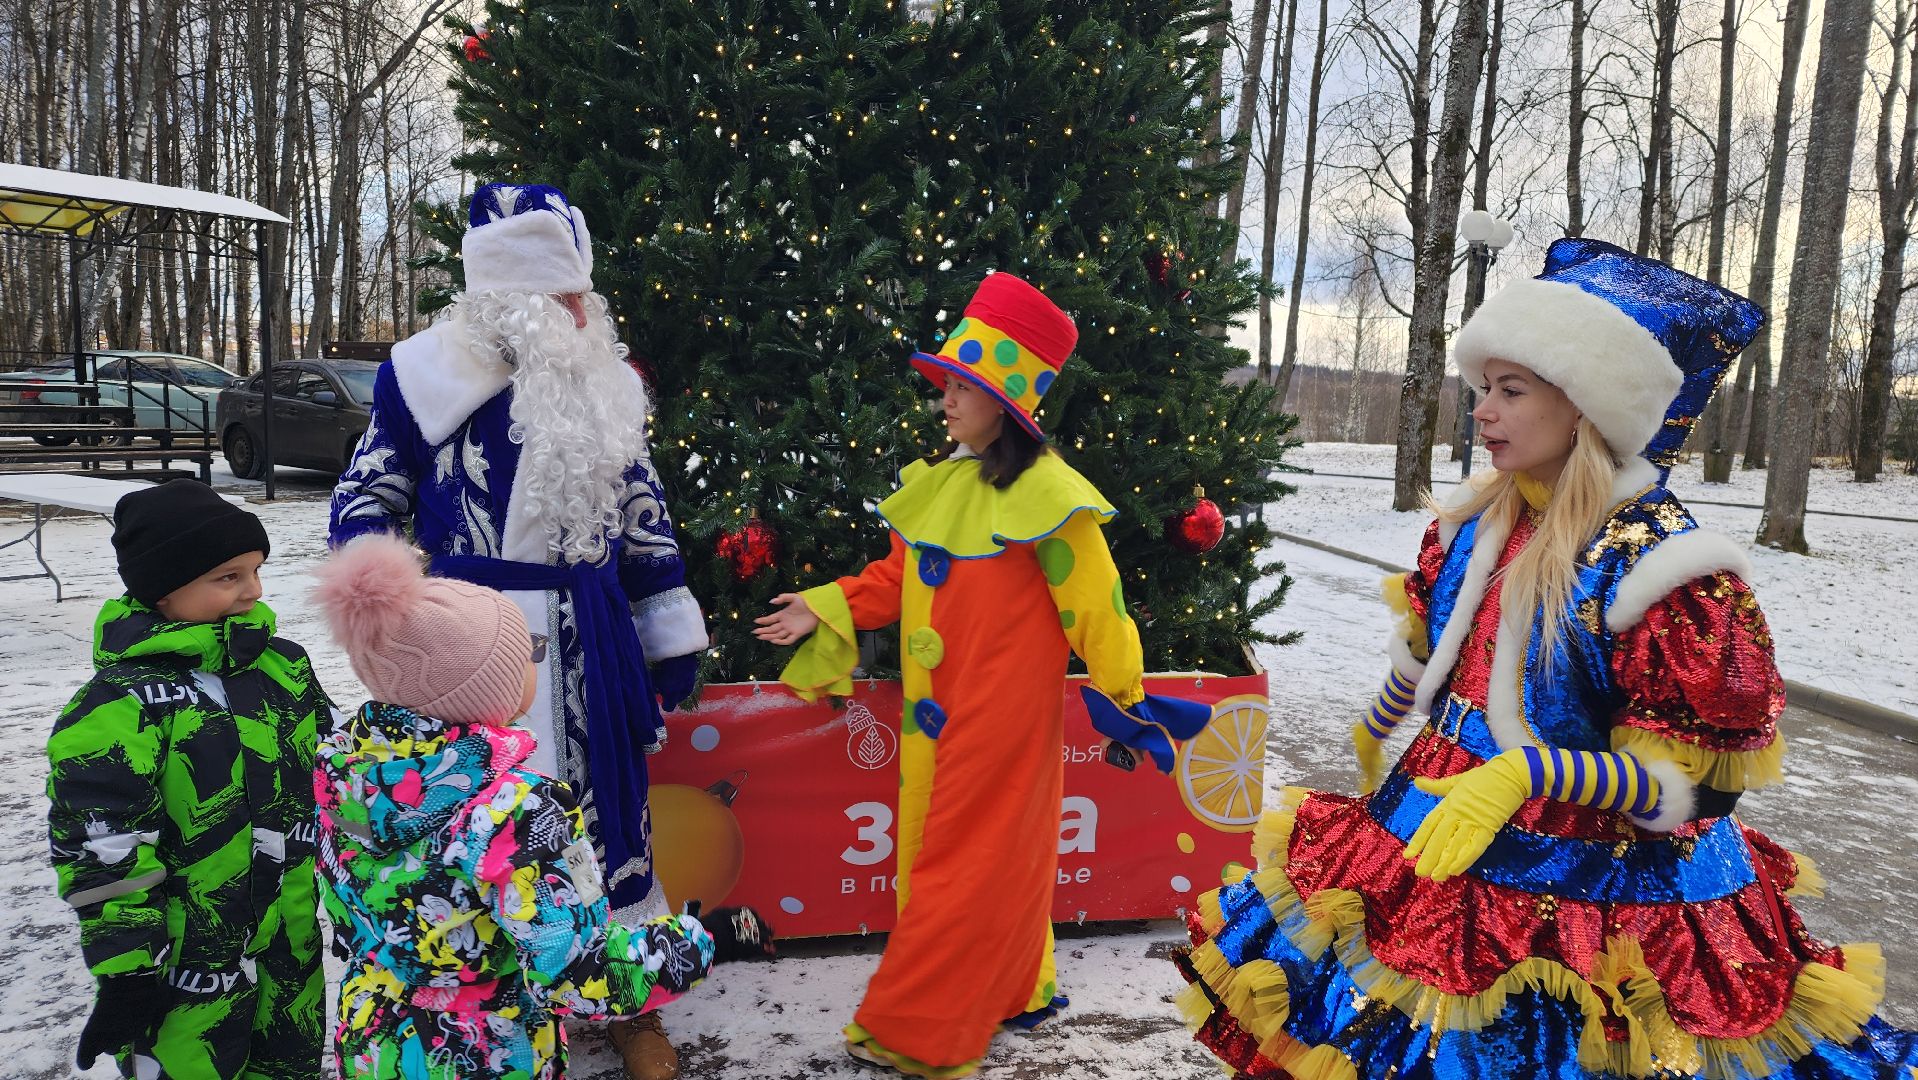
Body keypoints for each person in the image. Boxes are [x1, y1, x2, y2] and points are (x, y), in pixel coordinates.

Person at [1172, 238, 1918, 1078]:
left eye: (1511, 391)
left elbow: (1698, 788)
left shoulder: (1667, 572)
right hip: (1432, 830)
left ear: (1587, 409)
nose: (1481, 412)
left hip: (1593, 894)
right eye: (1482, 388)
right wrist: (1387, 712)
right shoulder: (1475, 522)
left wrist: (1527, 776)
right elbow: (1440, 644)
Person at [755, 271, 1207, 1078]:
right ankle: (1011, 988)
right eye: (946, 385)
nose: (944, 400)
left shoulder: (1050, 499)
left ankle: (919, 1030)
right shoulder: (944, 485)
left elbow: (1095, 606)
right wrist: (825, 608)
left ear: (1005, 399)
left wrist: (1125, 692)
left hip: (999, 723)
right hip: (938, 720)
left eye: (961, 386)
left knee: (960, 874)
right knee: (962, 863)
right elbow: (896, 582)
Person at [328, 182, 708, 1079]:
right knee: (475, 829)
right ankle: (493, 991)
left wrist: (669, 626)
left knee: (614, 817)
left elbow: (642, 509)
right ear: (509, 297)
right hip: (470, 643)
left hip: (594, 636)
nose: (583, 311)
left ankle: (628, 1004)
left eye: (585, 295)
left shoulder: (607, 384)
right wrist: (387, 603)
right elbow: (366, 498)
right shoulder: (423, 380)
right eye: (563, 297)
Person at [310, 532, 774, 1079]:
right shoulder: (516, 812)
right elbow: (581, 970)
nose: (537, 658)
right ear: (484, 693)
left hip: (378, 1043)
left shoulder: (347, 776)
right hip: (485, 1053)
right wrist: (703, 938)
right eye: (527, 651)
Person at [48, 479, 331, 1078]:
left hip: (290, 947)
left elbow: (330, 778)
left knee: (290, 1068)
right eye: (227, 577)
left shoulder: (284, 668)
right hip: (185, 965)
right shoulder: (118, 706)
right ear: (161, 591)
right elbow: (103, 843)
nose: (252, 591)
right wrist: (127, 970)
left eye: (256, 571)